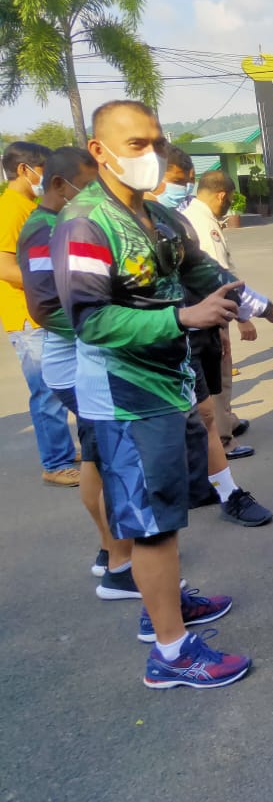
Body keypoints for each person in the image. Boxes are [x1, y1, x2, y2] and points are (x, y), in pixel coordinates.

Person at [52, 100, 273, 688]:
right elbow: (90, 319)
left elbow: (203, 274)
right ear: (100, 151)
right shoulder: (85, 222)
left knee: (164, 508)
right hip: (123, 394)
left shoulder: (161, 217)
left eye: (157, 143)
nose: (152, 155)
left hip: (167, 385)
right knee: (152, 521)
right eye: (136, 144)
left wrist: (265, 307)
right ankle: (170, 653)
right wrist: (183, 320)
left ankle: (163, 605)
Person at [17, 146, 122, 578]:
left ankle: (111, 550)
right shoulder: (44, 228)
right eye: (88, 186)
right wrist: (112, 329)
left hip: (84, 363)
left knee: (99, 459)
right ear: (60, 185)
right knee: (107, 461)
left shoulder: (62, 223)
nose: (94, 195)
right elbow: (45, 306)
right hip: (77, 369)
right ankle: (119, 557)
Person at [0, 140, 79, 487]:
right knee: (47, 392)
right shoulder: (11, 209)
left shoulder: (28, 205)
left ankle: (62, 450)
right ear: (24, 170)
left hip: (39, 314)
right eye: (43, 171)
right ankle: (56, 463)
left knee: (58, 386)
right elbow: (4, 266)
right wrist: (46, 284)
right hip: (27, 317)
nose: (46, 179)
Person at [181, 170, 252, 455]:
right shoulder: (203, 225)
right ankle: (223, 439)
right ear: (222, 195)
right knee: (218, 376)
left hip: (204, 311)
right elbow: (219, 277)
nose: (229, 204)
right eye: (230, 199)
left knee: (217, 373)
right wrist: (244, 317)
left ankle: (228, 421)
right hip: (212, 311)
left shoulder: (194, 216)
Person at [155, 145, 194, 210]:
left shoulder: (175, 216)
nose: (183, 190)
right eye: (177, 181)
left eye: (185, 184)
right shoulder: (134, 217)